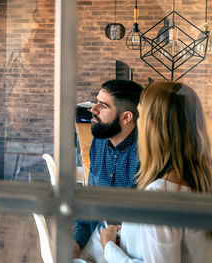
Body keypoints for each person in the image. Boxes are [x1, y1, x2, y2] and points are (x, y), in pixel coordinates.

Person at [95, 82, 212, 262]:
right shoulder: (205, 179)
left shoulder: (160, 199)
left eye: (141, 115)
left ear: (152, 127)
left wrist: (109, 248)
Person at [74, 80, 143, 258]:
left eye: (102, 105)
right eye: (96, 101)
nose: (93, 109)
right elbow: (89, 201)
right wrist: (76, 241)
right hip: (102, 234)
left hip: (133, 249)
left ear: (126, 117)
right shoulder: (100, 141)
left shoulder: (144, 156)